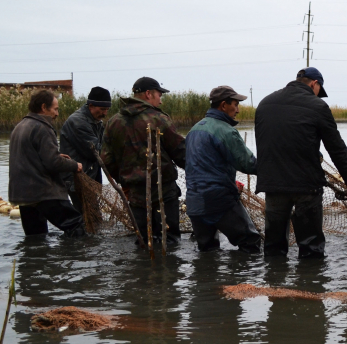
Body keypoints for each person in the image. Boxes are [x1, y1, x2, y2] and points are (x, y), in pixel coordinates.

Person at [255, 67, 347, 258]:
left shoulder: (265, 104)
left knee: (273, 248)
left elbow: (269, 144)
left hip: (273, 186)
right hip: (307, 186)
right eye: (319, 90)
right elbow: (337, 150)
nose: (318, 95)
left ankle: (272, 285)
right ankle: (310, 284)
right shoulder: (317, 106)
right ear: (314, 83)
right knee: (311, 249)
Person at [101, 77, 186, 245]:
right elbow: (181, 153)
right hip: (164, 191)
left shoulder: (113, 122)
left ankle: (143, 270)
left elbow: (105, 159)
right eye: (159, 95)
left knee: (143, 241)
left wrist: (124, 179)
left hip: (135, 194)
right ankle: (170, 270)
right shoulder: (158, 119)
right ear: (148, 94)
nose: (160, 101)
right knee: (169, 242)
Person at [185, 86, 262, 253]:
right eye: (235, 104)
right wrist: (276, 168)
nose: (238, 110)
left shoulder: (194, 130)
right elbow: (248, 164)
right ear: (223, 105)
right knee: (251, 242)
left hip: (194, 201)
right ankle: (244, 278)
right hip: (219, 200)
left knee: (207, 250)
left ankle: (209, 279)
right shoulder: (226, 131)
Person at [8, 89, 86, 237]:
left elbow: (30, 157)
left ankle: (37, 260)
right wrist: (75, 165)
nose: (57, 114)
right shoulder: (42, 127)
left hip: (23, 195)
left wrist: (56, 156)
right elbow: (53, 163)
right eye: (55, 109)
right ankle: (77, 259)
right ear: (44, 107)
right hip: (42, 192)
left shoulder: (20, 126)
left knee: (36, 237)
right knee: (77, 226)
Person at [60, 86, 112, 213]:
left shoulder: (96, 120)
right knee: (86, 216)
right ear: (91, 106)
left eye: (107, 110)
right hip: (77, 179)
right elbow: (96, 152)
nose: (105, 113)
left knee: (92, 216)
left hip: (90, 176)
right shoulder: (78, 122)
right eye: (102, 109)